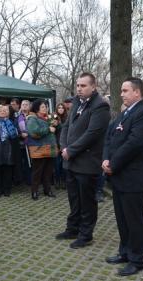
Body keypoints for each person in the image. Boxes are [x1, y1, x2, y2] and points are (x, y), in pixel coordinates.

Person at [102, 77, 143, 276]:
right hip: (118, 176)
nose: (121, 94)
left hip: (134, 178)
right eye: (121, 90)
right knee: (122, 219)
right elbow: (109, 137)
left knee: (135, 220)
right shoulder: (125, 113)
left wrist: (112, 164)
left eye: (125, 90)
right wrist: (106, 159)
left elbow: (133, 145)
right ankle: (124, 252)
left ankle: (137, 259)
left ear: (137, 92)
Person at [56, 72, 110, 249]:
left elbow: (92, 134)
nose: (79, 89)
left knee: (87, 201)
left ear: (93, 87)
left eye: (83, 85)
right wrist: (64, 147)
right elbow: (66, 127)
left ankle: (86, 235)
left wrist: (70, 150)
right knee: (73, 198)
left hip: (87, 162)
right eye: (78, 85)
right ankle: (73, 228)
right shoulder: (77, 103)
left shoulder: (100, 106)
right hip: (71, 161)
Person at [26, 99, 58, 200]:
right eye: (43, 107)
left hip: (50, 149)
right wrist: (48, 129)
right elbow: (34, 132)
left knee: (48, 172)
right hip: (38, 149)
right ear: (37, 108)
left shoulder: (48, 118)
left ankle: (47, 190)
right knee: (37, 172)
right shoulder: (32, 119)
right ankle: (34, 191)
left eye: (46, 107)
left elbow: (56, 130)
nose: (46, 108)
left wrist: (56, 124)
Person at [17, 100, 32, 185]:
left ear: (29, 106)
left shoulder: (32, 116)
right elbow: (15, 128)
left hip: (31, 142)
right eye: (23, 104)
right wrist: (20, 134)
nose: (25, 106)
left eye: (26, 104)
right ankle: (22, 179)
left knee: (29, 162)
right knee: (21, 162)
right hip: (21, 143)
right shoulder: (17, 117)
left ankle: (29, 180)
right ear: (21, 106)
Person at [54, 103, 68, 189]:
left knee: (64, 164)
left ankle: (63, 181)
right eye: (59, 108)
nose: (61, 109)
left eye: (62, 108)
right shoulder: (54, 117)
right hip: (56, 143)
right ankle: (57, 181)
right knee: (56, 164)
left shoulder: (67, 118)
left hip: (65, 145)